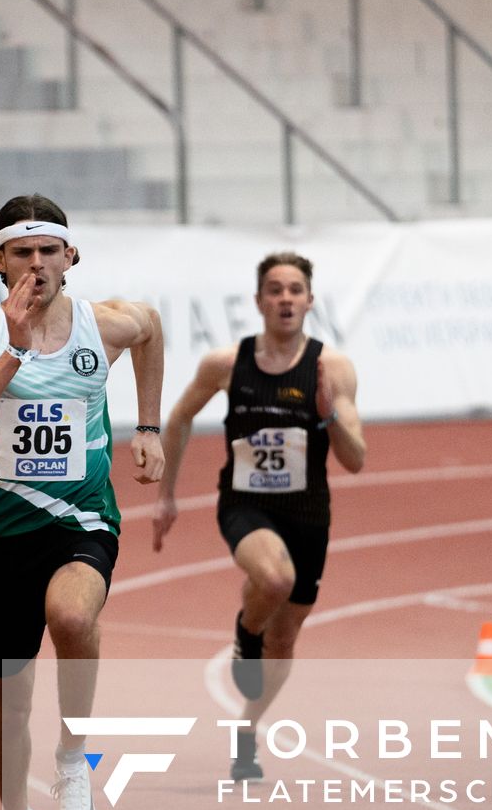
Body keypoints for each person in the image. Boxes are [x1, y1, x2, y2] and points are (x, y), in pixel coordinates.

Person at [0, 194, 165, 810]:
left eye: (48, 251)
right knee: (6, 701)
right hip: (0, 536)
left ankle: (73, 759)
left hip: (82, 523)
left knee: (72, 618)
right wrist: (13, 349)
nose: (36, 264)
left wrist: (149, 425)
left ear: (72, 257)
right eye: (21, 252)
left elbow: (153, 331)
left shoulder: (107, 323)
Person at [152, 251, 366, 782]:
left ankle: (247, 733)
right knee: (274, 577)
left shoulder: (331, 368)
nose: (285, 298)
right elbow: (179, 418)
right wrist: (167, 495)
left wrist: (329, 413)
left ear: (309, 301)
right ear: (259, 301)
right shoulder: (227, 364)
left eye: (295, 289)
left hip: (309, 513)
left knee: (286, 639)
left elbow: (356, 459)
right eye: (275, 289)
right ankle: (245, 633)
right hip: (245, 503)